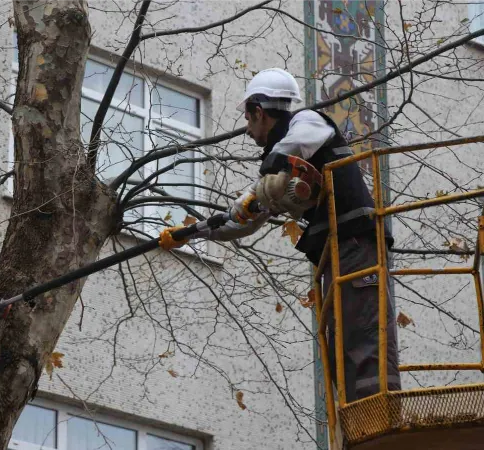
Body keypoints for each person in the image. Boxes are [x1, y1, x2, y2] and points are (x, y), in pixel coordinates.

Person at [168, 68, 401, 402]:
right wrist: (190, 233)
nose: (248, 130)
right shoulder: (281, 162)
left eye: (248, 120)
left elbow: (293, 150)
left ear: (259, 112)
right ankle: (355, 421)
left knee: (365, 336)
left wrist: (264, 185)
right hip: (335, 253)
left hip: (357, 244)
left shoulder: (308, 122)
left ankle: (380, 415)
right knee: (340, 344)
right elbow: (242, 222)